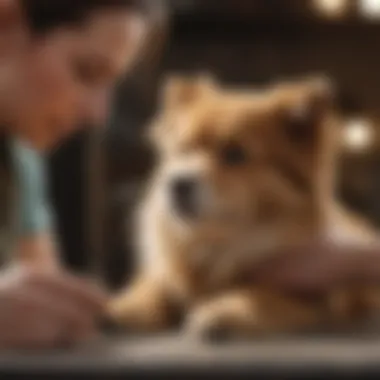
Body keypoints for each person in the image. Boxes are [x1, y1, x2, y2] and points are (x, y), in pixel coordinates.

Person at [0, 0, 149, 348]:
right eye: (85, 71)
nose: (97, 114)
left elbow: (42, 315)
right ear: (7, 24)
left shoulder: (20, 158)